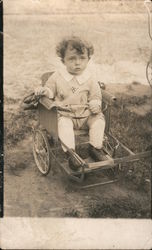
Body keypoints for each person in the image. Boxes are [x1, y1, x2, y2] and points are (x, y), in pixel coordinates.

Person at [35, 36, 105, 170]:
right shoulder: (57, 76)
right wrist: (45, 91)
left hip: (86, 115)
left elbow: (96, 95)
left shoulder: (90, 78)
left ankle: (95, 148)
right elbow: (50, 91)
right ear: (63, 61)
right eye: (72, 59)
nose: (77, 63)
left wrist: (96, 103)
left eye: (82, 58)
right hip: (66, 114)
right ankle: (71, 154)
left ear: (88, 59)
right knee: (64, 124)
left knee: (99, 121)